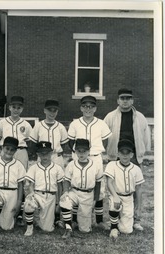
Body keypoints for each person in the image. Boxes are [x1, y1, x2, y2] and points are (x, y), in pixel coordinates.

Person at [104, 88, 151, 231]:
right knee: (114, 189)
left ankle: (136, 219)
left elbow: (145, 137)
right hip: (115, 157)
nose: (125, 101)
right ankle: (113, 219)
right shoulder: (110, 117)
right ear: (118, 100)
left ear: (132, 100)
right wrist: (108, 154)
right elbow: (104, 137)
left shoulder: (140, 117)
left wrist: (141, 155)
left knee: (135, 189)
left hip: (134, 158)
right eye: (122, 98)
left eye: (128, 98)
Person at [68, 95, 112, 230]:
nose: (88, 109)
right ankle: (75, 219)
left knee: (98, 189)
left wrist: (95, 151)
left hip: (95, 157)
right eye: (85, 106)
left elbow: (105, 140)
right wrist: (79, 154)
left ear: (95, 108)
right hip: (79, 157)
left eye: (91, 106)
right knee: (77, 187)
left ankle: (98, 221)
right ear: (81, 108)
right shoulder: (75, 123)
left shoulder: (101, 123)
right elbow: (71, 142)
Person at [0, 96, 32, 226]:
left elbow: (28, 141)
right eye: (14, 107)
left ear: (22, 109)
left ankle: (20, 213)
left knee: (21, 180)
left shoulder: (25, 124)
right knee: (6, 177)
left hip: (20, 151)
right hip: (7, 151)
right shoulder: (2, 123)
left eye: (19, 107)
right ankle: (1, 208)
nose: (16, 110)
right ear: (9, 107)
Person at [59, 139, 103, 239]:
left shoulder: (95, 165)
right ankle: (68, 228)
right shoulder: (71, 164)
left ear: (89, 151)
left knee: (84, 230)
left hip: (88, 195)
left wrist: (95, 199)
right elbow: (66, 180)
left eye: (84, 151)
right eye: (79, 151)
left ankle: (81, 221)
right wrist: (65, 192)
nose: (81, 153)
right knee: (64, 201)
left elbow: (98, 183)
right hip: (74, 191)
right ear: (75, 151)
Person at [0, 137, 26, 234]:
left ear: (15, 151)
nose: (9, 151)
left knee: (7, 227)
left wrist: (19, 202)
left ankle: (2, 216)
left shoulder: (18, 164)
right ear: (2, 147)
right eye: (7, 148)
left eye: (12, 150)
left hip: (12, 193)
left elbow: (20, 185)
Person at [104, 139, 145, 241]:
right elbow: (109, 183)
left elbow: (139, 189)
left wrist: (138, 207)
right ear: (118, 153)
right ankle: (113, 227)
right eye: (122, 153)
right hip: (116, 194)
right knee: (114, 203)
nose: (125, 156)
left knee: (126, 230)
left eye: (128, 153)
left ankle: (118, 220)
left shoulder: (136, 169)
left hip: (128, 198)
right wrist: (116, 197)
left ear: (132, 155)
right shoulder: (112, 165)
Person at [23, 141, 64, 236]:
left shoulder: (57, 168)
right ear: (38, 154)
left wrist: (58, 203)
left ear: (52, 153)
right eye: (42, 154)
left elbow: (60, 186)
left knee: (47, 229)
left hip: (51, 196)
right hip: (37, 194)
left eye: (47, 153)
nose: (44, 156)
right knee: (29, 203)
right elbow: (29, 183)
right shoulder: (34, 167)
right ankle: (29, 227)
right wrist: (31, 193)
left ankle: (39, 219)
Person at [29, 99, 68, 169]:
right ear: (45, 110)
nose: (52, 113)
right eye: (50, 110)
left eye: (54, 111)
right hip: (42, 156)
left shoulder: (60, 127)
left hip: (56, 157)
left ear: (57, 112)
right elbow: (33, 143)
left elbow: (63, 144)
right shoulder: (38, 126)